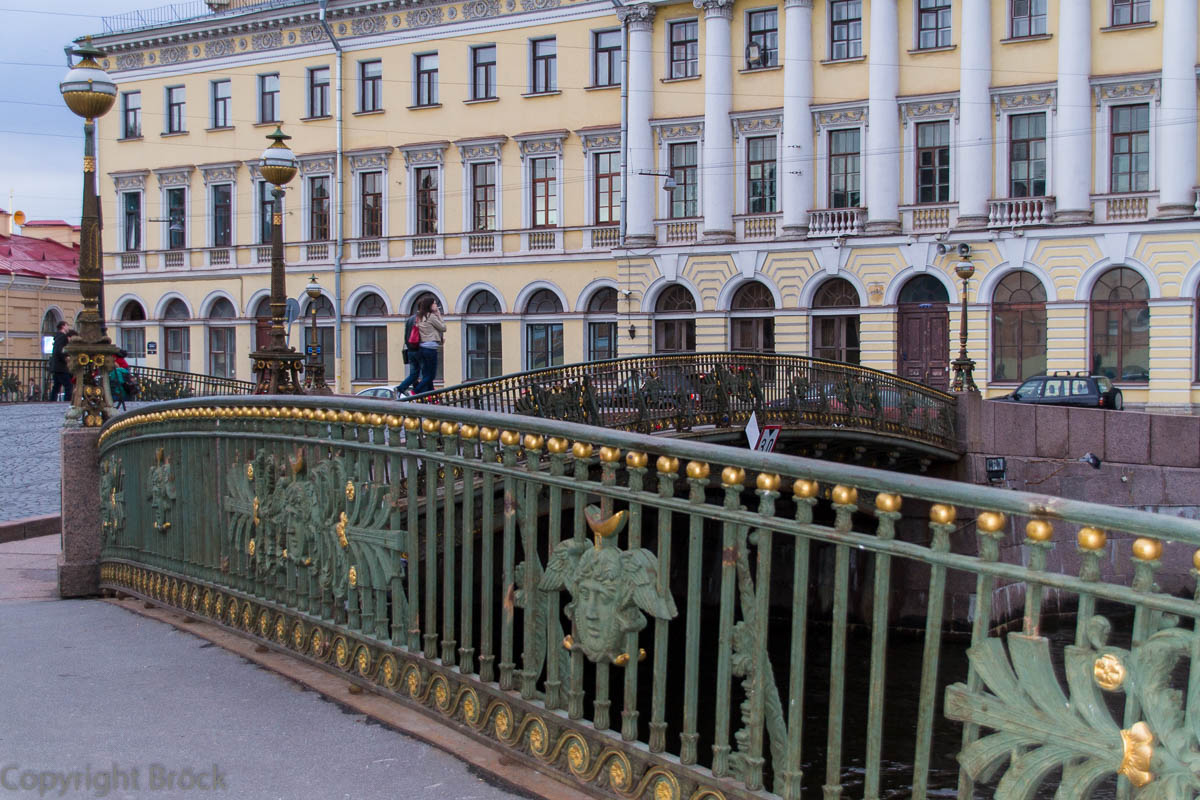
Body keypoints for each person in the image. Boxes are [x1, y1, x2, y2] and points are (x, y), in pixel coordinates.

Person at [414, 296, 446, 395]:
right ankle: (415, 391)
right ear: (430, 305)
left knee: (426, 374)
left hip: (422, 348)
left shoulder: (419, 317)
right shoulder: (430, 317)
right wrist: (439, 315)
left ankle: (430, 396)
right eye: (435, 303)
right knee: (431, 376)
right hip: (431, 348)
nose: (436, 305)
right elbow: (443, 328)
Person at [394, 310, 422, 398]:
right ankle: (417, 392)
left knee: (414, 374)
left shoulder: (410, 319)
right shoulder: (421, 319)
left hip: (410, 350)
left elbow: (406, 336)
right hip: (419, 348)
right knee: (426, 373)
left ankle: (402, 388)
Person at [49, 321, 72, 402]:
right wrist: (66, 358)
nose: (68, 327)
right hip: (61, 366)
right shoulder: (63, 337)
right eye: (67, 325)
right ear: (63, 326)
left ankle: (51, 401)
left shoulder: (57, 336)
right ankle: (67, 402)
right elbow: (60, 351)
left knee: (56, 386)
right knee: (68, 386)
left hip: (55, 366)